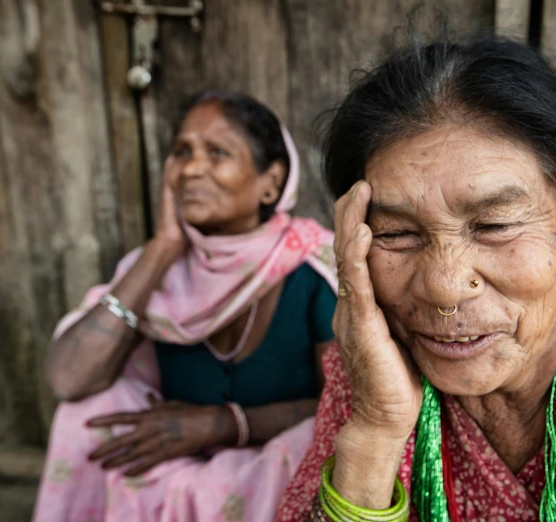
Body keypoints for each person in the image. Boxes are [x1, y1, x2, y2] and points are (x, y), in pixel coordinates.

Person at [275, 35, 556, 522]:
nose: (444, 286)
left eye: (494, 226)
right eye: (397, 233)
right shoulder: (375, 363)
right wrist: (375, 431)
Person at [33, 90, 338, 522]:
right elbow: (69, 379)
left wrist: (221, 423)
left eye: (217, 152)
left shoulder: (314, 269)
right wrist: (163, 248)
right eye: (182, 152)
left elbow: (349, 406)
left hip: (274, 465)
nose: (192, 168)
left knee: (321, 438)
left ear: (271, 182)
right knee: (87, 410)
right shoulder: (153, 270)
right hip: (172, 463)